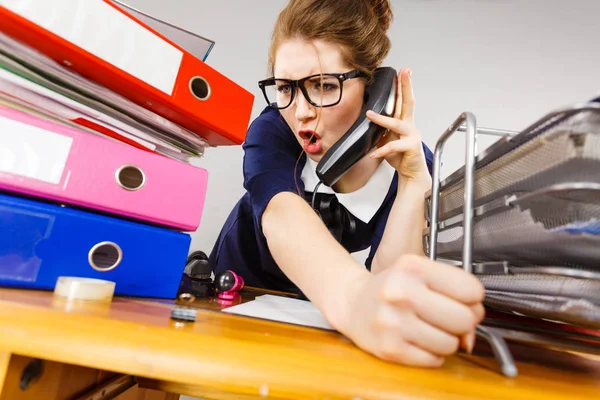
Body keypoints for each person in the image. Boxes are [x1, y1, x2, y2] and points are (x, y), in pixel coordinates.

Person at [209, 0, 485, 367]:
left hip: (344, 359)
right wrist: (359, 301)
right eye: (284, 88)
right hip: (235, 330)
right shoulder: (273, 130)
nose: (301, 111)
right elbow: (283, 217)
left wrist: (413, 184)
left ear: (374, 90)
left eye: (323, 86)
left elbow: (390, 306)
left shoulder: (414, 165)